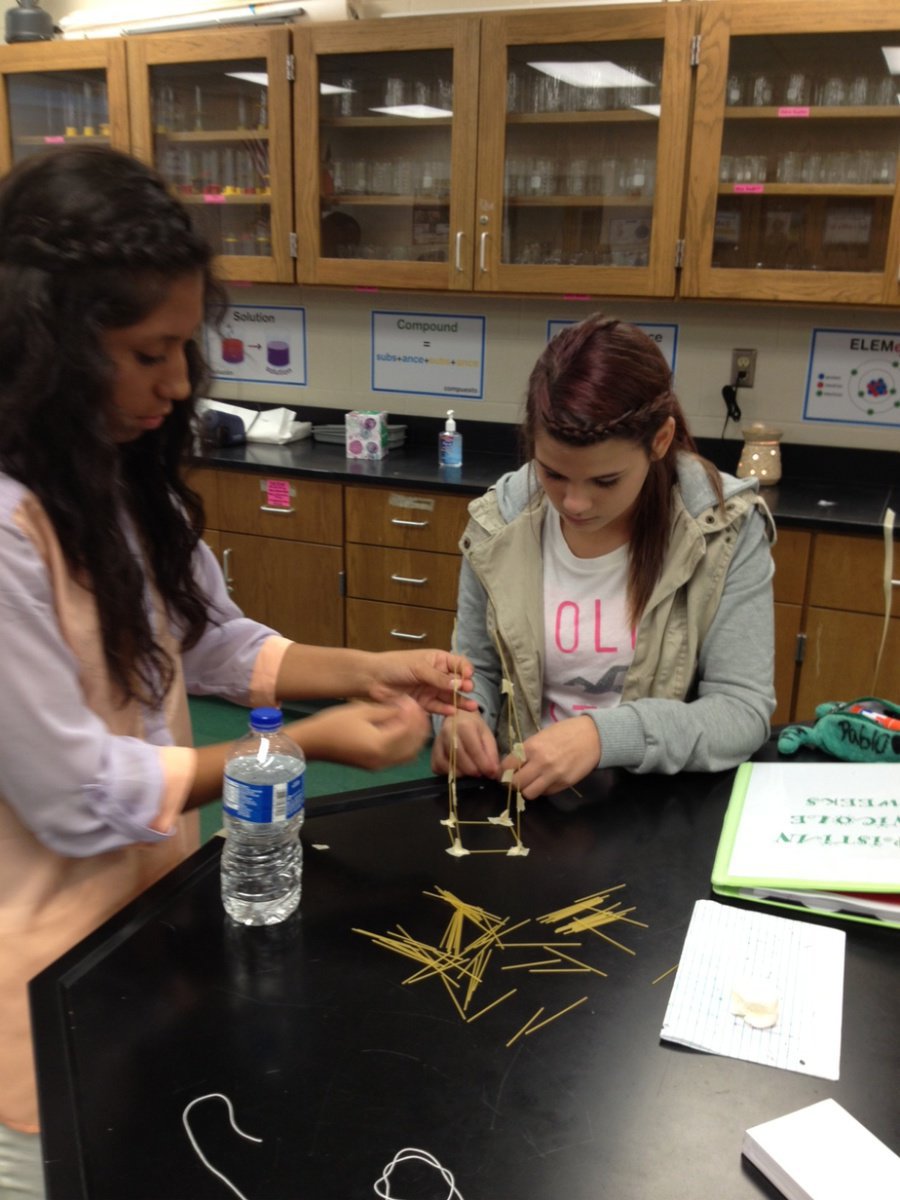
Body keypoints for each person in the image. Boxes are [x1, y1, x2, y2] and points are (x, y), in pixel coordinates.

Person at [0, 145, 474, 1197]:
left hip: (139, 932)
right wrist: (294, 748)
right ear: (46, 344)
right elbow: (74, 792)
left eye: (185, 348)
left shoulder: (112, 481)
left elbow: (211, 641)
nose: (178, 384)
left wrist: (368, 668)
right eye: (147, 352)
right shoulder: (6, 533)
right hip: (29, 985)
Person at [432, 314, 776, 800]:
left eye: (606, 481)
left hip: (653, 808)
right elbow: (477, 672)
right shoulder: (497, 523)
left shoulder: (724, 527)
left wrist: (604, 737)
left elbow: (741, 712)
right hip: (526, 803)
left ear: (660, 441)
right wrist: (464, 720)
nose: (574, 503)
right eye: (553, 474)